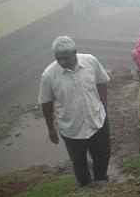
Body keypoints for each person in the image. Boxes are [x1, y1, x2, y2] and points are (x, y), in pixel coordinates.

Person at [39, 36, 111, 187]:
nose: (63, 62)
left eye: (66, 58)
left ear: (75, 53)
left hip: (97, 120)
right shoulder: (49, 75)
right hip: (71, 128)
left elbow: (102, 82)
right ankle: (85, 187)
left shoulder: (90, 61)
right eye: (59, 59)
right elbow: (46, 102)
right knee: (79, 163)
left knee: (103, 156)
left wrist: (103, 106)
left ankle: (102, 183)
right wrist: (51, 128)